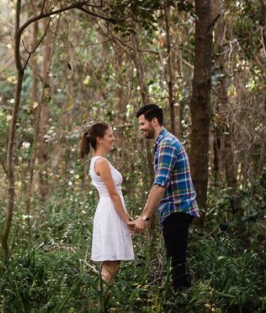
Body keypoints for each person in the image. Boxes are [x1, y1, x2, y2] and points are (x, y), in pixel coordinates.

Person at [132, 103, 200, 290]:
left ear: (154, 121)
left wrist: (145, 217)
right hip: (174, 211)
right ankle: (183, 299)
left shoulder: (167, 144)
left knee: (177, 265)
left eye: (142, 123)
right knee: (177, 262)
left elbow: (160, 184)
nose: (141, 128)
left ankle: (183, 302)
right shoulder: (163, 143)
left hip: (177, 210)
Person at [79, 122, 135, 284]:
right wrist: (127, 220)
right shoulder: (101, 162)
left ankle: (105, 301)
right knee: (111, 262)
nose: (113, 139)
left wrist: (126, 217)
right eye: (110, 135)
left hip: (110, 211)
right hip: (110, 212)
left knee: (113, 262)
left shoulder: (100, 161)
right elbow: (113, 194)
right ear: (99, 139)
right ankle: (101, 302)